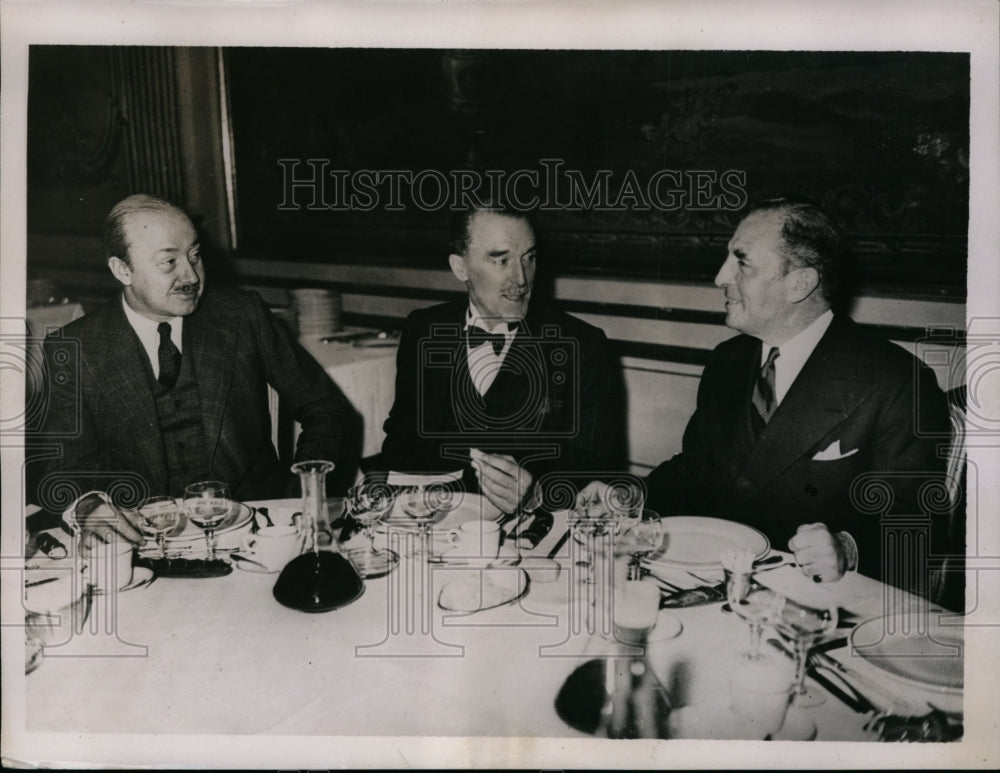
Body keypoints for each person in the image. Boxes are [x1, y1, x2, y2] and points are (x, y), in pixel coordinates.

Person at [578, 197, 950, 592]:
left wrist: (848, 549)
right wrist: (629, 497)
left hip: (815, 599)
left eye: (742, 262)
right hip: (711, 582)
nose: (721, 277)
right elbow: (694, 470)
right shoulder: (728, 360)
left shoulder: (896, 380)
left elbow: (918, 529)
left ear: (799, 284)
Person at [32, 194, 352, 532]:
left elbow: (326, 409)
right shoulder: (78, 347)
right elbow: (62, 467)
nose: (191, 276)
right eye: (169, 262)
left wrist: (303, 496)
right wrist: (89, 506)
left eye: (195, 255)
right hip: (143, 537)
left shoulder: (242, 316)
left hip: (256, 527)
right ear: (122, 269)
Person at [378, 202, 622, 514]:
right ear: (460, 267)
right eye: (501, 260)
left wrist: (537, 493)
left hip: (533, 534)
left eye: (529, 258)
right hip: (436, 528)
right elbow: (402, 441)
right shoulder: (423, 329)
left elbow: (599, 471)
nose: (521, 279)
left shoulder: (583, 345)